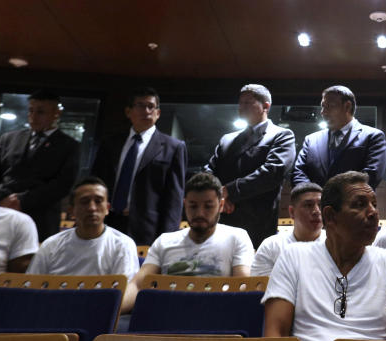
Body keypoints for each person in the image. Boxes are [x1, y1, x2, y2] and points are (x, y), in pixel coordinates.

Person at [263, 171, 386, 341]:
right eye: (360, 204)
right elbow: (274, 337)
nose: (373, 212)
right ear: (330, 216)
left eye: (374, 204)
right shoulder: (293, 256)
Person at [90, 87, 187, 246]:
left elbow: (174, 197)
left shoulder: (173, 147)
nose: (146, 111)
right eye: (140, 106)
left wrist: (168, 238)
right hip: (106, 222)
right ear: (128, 112)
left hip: (146, 228)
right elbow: (96, 181)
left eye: (151, 106)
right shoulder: (111, 143)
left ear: (158, 113)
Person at [27, 177, 140, 312]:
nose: (92, 208)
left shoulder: (123, 244)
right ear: (71, 210)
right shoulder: (51, 244)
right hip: (53, 312)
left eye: (98, 201)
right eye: (84, 202)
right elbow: (30, 288)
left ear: (107, 208)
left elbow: (125, 294)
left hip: (100, 314)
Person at [205, 84, 296, 248]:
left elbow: (272, 173)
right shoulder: (227, 139)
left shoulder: (281, 135)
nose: (242, 107)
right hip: (221, 217)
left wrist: (229, 191)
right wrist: (218, 196)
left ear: (266, 106)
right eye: (240, 103)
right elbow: (209, 171)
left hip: (257, 221)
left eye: (248, 102)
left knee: (254, 272)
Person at [0, 90, 80, 240]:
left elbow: (63, 184)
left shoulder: (68, 145)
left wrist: (22, 200)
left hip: (41, 217)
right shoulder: (9, 139)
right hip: (2, 210)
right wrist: (2, 196)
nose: (33, 116)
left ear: (56, 113)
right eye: (31, 110)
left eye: (41, 112)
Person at [132, 173, 253, 287]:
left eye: (208, 206)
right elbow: (137, 285)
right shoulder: (164, 241)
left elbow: (243, 286)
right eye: (193, 206)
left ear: (221, 205)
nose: (200, 213)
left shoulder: (237, 238)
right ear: (185, 204)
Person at [291, 86, 386, 189]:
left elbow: (371, 176)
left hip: (353, 203)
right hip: (316, 203)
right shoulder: (311, 139)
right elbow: (298, 172)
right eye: (323, 106)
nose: (323, 112)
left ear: (347, 106)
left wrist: (335, 197)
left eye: (329, 106)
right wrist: (312, 196)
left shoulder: (372, 136)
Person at [250, 181, 325, 277]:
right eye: (308, 205)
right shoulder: (271, 246)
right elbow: (260, 289)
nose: (316, 211)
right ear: (292, 212)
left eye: (320, 205)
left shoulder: (337, 243)